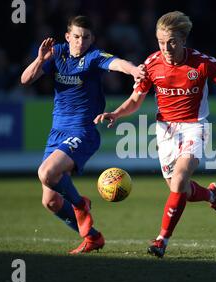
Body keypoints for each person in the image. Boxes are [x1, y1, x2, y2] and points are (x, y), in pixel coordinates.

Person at [95, 11, 216, 258]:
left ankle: (161, 240)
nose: (166, 47)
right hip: (165, 131)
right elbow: (135, 100)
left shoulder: (202, 63)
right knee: (179, 188)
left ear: (183, 39)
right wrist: (116, 113)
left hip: (196, 126)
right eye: (161, 42)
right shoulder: (151, 64)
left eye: (171, 41)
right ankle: (212, 195)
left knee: (180, 180)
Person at [21, 16, 146, 254]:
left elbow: (118, 63)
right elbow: (25, 80)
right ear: (67, 37)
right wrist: (40, 59)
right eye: (76, 36)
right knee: (51, 202)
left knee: (47, 172)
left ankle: (80, 204)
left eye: (86, 37)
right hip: (56, 133)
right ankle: (92, 236)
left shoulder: (93, 57)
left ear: (92, 39)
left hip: (83, 131)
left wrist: (134, 71)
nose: (81, 41)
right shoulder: (56, 53)